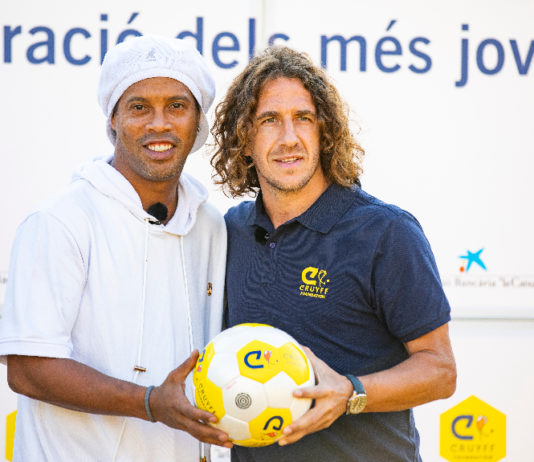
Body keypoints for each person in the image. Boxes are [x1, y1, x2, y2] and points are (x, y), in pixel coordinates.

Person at [211, 46, 457, 461]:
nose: (289, 138)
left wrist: (350, 393)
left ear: (325, 132)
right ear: (244, 140)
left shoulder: (385, 233)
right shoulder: (230, 231)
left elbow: (440, 370)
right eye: (269, 120)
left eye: (303, 118)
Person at [0, 35, 232, 461]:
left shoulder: (211, 225)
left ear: (198, 121)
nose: (159, 124)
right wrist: (149, 402)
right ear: (113, 119)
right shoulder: (60, 220)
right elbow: (28, 369)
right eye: (139, 107)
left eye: (177, 106)